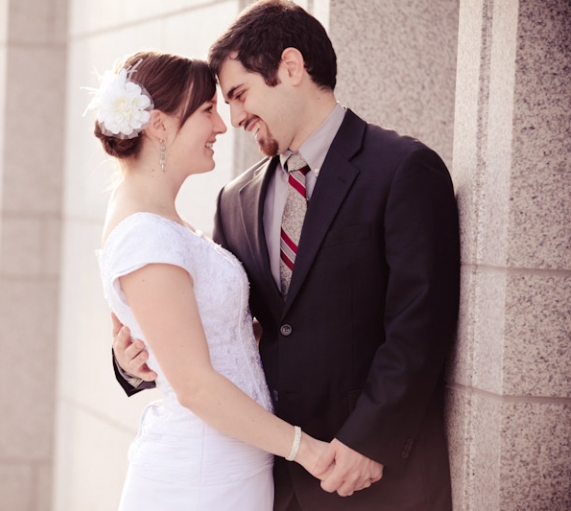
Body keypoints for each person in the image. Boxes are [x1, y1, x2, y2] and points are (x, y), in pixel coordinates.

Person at [112, 2, 461, 510]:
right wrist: (134, 361)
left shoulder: (403, 169)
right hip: (270, 481)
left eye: (239, 94)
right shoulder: (235, 200)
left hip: (376, 479)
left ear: (291, 68)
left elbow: (421, 323)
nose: (233, 119)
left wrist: (371, 440)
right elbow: (224, 323)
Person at [92, 50, 332, 511]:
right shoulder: (145, 235)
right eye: (207, 110)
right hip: (199, 480)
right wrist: (307, 450)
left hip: (232, 468)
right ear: (159, 125)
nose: (222, 126)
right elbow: (195, 385)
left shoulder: (160, 221)